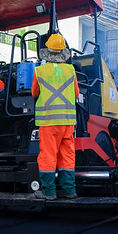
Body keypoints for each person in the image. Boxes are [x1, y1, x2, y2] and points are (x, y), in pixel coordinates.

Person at [32, 33, 79, 200]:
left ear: (48, 52)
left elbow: (34, 92)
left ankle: (49, 192)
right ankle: (69, 190)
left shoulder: (39, 71)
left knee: (48, 155)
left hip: (49, 121)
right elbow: (76, 93)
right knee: (67, 155)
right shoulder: (71, 70)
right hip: (67, 121)